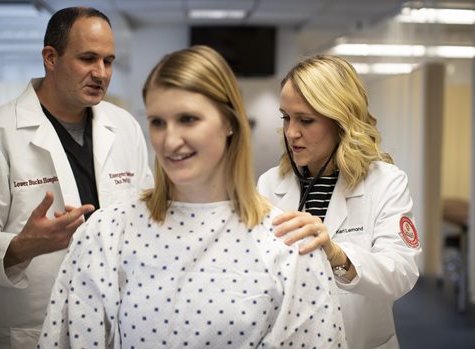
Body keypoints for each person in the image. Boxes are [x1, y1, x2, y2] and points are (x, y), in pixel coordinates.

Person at [37, 45, 347, 348]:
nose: (170, 141)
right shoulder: (107, 232)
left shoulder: (288, 243)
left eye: (188, 119)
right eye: (157, 122)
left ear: (229, 122)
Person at [0, 7, 153, 349]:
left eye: (108, 61)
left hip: (116, 320)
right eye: (88, 58)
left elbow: (146, 215)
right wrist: (23, 246)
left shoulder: (125, 127)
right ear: (50, 57)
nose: (101, 73)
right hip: (33, 326)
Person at [257, 54, 422, 349]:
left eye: (306, 120)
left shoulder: (386, 182)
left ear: (341, 122)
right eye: (286, 117)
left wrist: (335, 254)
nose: (291, 132)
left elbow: (401, 272)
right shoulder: (270, 184)